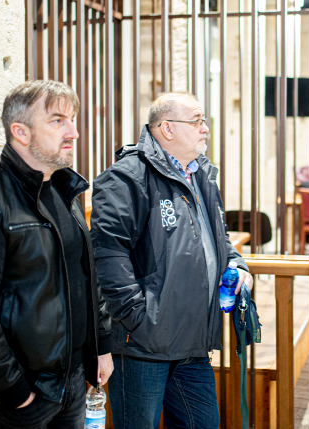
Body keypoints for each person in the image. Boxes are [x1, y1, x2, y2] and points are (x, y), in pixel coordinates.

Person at [0, 80, 113, 429]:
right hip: (19, 398)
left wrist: (100, 345)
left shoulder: (64, 191)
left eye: (73, 120)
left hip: (72, 384)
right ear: (20, 131)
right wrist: (14, 392)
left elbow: (85, 276)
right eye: (58, 121)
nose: (74, 132)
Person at [90, 92, 254, 429]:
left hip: (193, 341)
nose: (205, 128)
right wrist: (138, 317)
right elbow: (107, 254)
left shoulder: (201, 175)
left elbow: (219, 239)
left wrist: (238, 266)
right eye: (197, 121)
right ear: (167, 128)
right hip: (142, 344)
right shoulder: (127, 177)